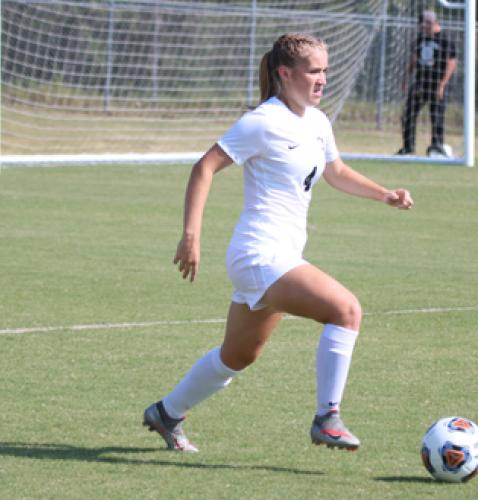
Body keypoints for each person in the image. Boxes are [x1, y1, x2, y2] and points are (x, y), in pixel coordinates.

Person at [143, 33, 413, 453]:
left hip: (282, 255)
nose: (322, 79)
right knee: (345, 310)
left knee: (237, 357)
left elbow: (335, 171)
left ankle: (166, 412)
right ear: (285, 73)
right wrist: (191, 236)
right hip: (258, 254)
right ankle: (328, 417)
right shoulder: (263, 121)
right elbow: (204, 167)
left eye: (325, 70)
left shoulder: (318, 122)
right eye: (313, 71)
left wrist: (385, 194)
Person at [396, 10, 457, 157]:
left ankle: (436, 147)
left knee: (436, 116)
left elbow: (451, 62)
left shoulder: (445, 39)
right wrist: (405, 78)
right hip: (421, 82)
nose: (421, 29)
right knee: (408, 114)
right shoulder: (420, 39)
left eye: (424, 25)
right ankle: (408, 148)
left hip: (436, 84)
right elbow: (414, 59)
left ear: (432, 23)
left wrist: (442, 84)